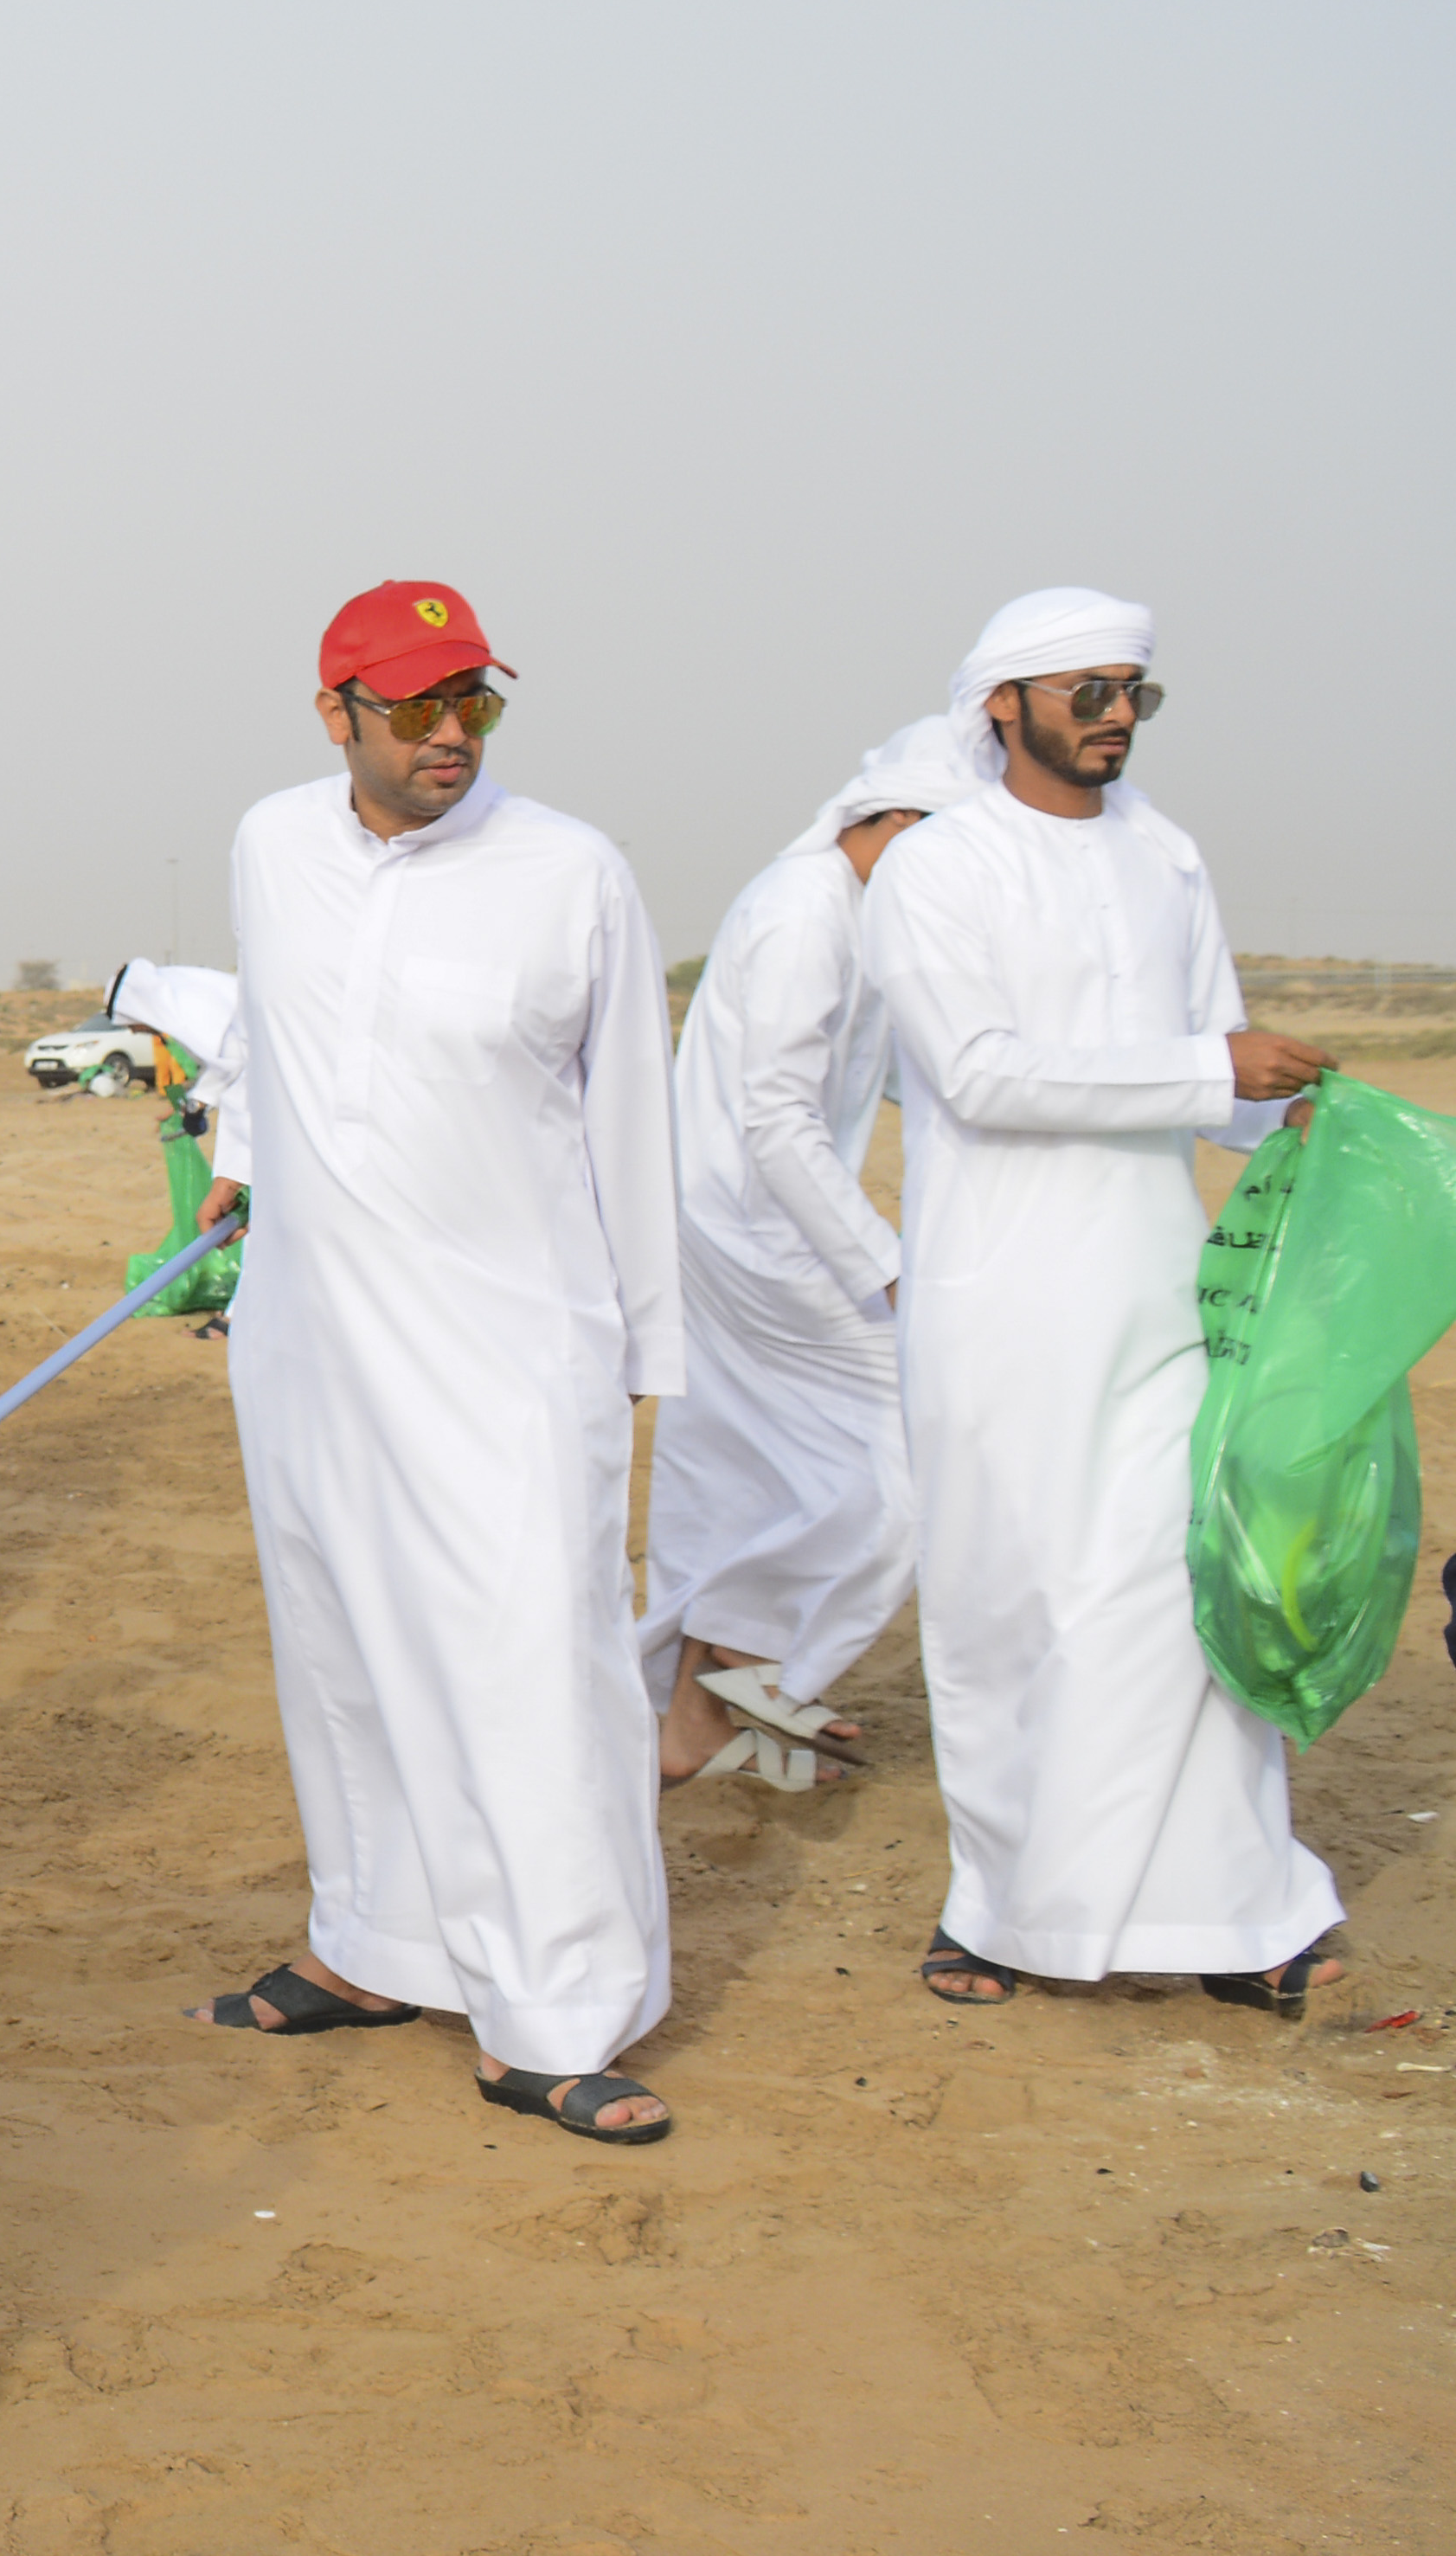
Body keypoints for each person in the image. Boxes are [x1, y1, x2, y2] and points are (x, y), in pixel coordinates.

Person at [185, 581, 686, 2147]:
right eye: (413, 706)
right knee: (337, 1648)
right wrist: (240, 1151)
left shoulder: (568, 872)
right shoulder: (268, 842)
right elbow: (276, 1022)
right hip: (309, 1340)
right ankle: (370, 1941)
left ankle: (553, 2015)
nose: (448, 733)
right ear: (333, 714)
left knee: (531, 1668)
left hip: (506, 1351)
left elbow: (632, 1120)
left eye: (472, 701)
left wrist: (642, 1345)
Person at [863, 589, 1345, 2015]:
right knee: (1010, 1601)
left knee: (1171, 1589)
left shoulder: (1164, 854)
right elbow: (979, 1073)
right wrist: (1210, 1070)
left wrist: (1284, 1116)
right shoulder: (934, 867)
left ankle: (1235, 1909)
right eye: (1085, 689)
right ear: (1000, 703)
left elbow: (1216, 1069)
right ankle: (998, 1909)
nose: (1115, 713)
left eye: (1133, 689)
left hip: (1150, 1285)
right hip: (997, 1297)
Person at [639, 712, 997, 1792]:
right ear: (899, 822)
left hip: (743, 1228)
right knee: (910, 1455)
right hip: (762, 1239)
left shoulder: (849, 907)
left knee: (751, 1472)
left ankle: (702, 1715)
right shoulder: (806, 912)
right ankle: (733, 1687)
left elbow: (894, 1075)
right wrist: (884, 1266)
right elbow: (777, 1120)